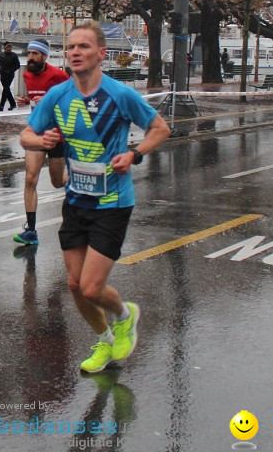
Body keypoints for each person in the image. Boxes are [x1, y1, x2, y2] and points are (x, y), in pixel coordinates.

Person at [20, 23, 171, 374]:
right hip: (77, 201)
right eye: (71, 46)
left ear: (101, 54)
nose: (75, 52)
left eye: (84, 46)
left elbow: (160, 128)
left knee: (90, 287)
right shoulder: (59, 97)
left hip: (112, 204)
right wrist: (40, 142)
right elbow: (26, 134)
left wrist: (134, 154)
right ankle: (105, 340)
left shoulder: (120, 95)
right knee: (74, 285)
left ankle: (124, 315)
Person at [12, 39, 70, 245]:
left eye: (35, 54)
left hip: (56, 136)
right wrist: (26, 101)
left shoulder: (59, 76)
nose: (31, 58)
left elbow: (71, 102)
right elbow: (35, 98)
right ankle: (31, 230)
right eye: (29, 53)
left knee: (57, 182)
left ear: (44, 56)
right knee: (30, 179)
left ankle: (80, 184)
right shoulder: (27, 74)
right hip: (37, 135)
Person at [0, 41, 21, 111]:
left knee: (6, 88)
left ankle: (1, 105)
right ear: (5, 48)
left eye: (10, 47)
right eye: (7, 47)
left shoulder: (14, 55)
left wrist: (11, 70)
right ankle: (13, 104)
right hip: (2, 75)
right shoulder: (0, 55)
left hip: (10, 75)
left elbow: (17, 65)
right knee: (7, 89)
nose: (9, 48)